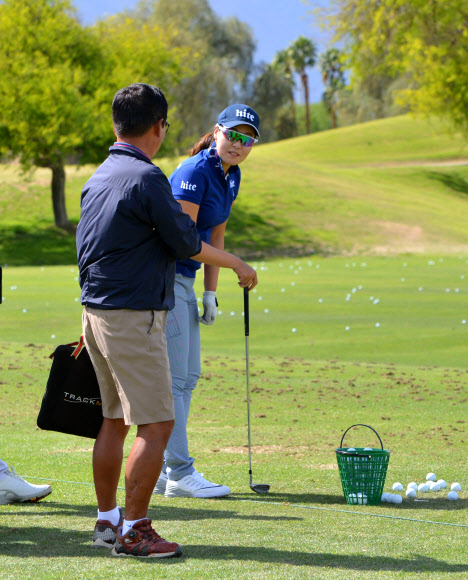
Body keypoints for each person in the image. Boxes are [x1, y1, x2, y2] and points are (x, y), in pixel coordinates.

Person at [76, 84, 257, 560]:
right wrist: (237, 263)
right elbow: (185, 243)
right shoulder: (149, 177)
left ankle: (107, 521)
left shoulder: (99, 175)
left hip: (95, 311)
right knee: (156, 424)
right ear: (159, 127)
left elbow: (86, 248)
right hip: (133, 314)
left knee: (114, 420)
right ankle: (135, 531)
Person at [153, 104, 260, 499]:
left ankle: (166, 471)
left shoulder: (231, 176)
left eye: (247, 138)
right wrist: (235, 266)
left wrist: (211, 292)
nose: (238, 144)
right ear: (217, 131)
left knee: (189, 378)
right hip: (164, 277)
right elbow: (183, 241)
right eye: (233, 134)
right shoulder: (195, 172)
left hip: (187, 280)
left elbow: (216, 235)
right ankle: (181, 472)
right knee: (177, 381)